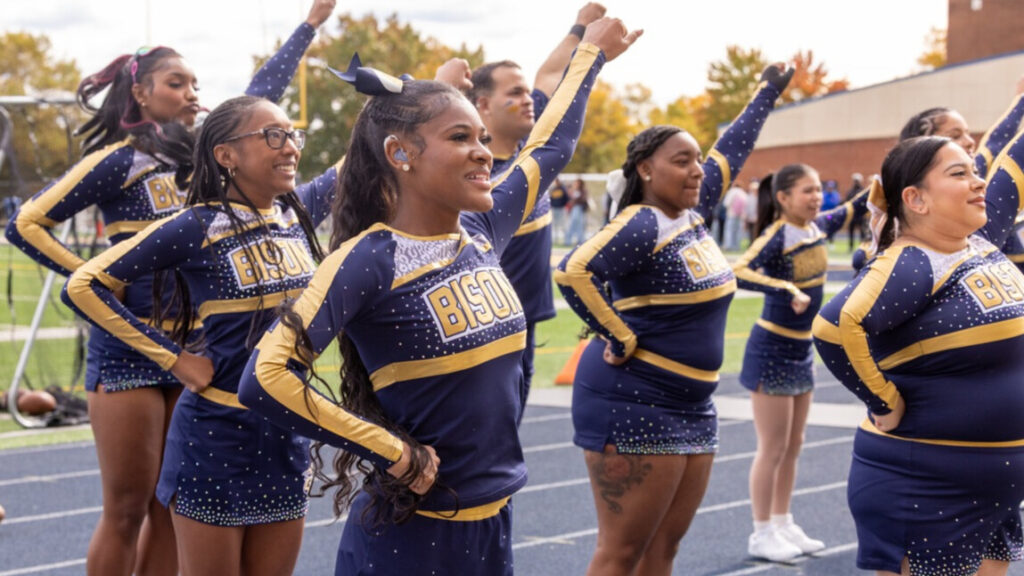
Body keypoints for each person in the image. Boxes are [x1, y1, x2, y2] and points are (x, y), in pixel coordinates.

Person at [237, 19, 639, 576]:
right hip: (410, 537)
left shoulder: (482, 228)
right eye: (460, 138)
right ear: (400, 154)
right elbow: (266, 376)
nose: (482, 153)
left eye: (480, 137)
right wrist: (391, 450)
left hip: (493, 524)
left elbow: (552, 147)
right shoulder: (367, 258)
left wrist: (590, 56)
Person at [2, 4, 334, 574]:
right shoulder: (117, 162)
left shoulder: (205, 160)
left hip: (201, 348)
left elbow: (258, 96)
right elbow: (25, 223)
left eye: (195, 84)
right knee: (128, 506)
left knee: (169, 502)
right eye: (176, 82)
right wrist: (94, 271)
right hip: (129, 347)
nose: (190, 92)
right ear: (140, 92)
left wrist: (308, 27)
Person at [63, 94, 337, 575]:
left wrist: (400, 102)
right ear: (226, 155)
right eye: (273, 136)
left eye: (293, 135)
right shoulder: (195, 225)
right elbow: (84, 285)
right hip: (216, 439)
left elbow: (357, 161)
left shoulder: (297, 214)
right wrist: (173, 359)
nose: (290, 146)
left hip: (285, 437)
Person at [554, 62, 793, 576]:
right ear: (646, 169)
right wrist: (616, 333)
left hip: (692, 405)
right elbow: (574, 271)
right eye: (681, 160)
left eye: (697, 161)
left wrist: (768, 93)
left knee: (663, 550)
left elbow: (731, 150)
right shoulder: (642, 222)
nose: (697, 170)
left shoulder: (691, 212)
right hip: (633, 402)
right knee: (621, 553)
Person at [813, 134, 1024, 576]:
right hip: (928, 488)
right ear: (916, 199)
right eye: (959, 173)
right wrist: (882, 400)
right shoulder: (913, 262)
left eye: (975, 170)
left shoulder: (979, 239)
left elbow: (1014, 163)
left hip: (993, 487)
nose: (978, 181)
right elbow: (834, 328)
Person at [467, 1, 607, 414]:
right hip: (485, 332)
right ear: (482, 105)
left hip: (523, 324)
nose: (529, 100)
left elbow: (549, 74)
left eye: (527, 92)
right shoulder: (473, 172)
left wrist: (579, 27)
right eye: (515, 93)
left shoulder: (531, 143)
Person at [732, 164, 866, 562]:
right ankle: (760, 531)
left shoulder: (818, 226)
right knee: (772, 447)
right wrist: (785, 286)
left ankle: (782, 519)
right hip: (771, 348)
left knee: (794, 445)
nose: (814, 197)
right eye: (805, 191)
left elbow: (855, 208)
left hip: (802, 350)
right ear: (783, 198)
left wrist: (881, 187)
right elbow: (739, 270)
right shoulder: (777, 235)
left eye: (817, 190)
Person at [565, 177, 590, 245]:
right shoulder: (573, 190)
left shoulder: (583, 191)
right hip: (574, 209)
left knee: (580, 225)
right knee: (572, 224)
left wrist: (575, 200)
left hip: (580, 209)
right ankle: (568, 240)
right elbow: (570, 199)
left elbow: (583, 199)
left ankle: (580, 240)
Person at [722, 181, 746, 251]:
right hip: (740, 215)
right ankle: (736, 246)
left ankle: (729, 245)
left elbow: (726, 203)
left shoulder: (732, 191)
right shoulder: (742, 192)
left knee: (729, 230)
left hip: (731, 214)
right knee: (738, 231)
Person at [550, 177, 569, 242]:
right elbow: (551, 199)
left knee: (563, 225)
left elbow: (567, 198)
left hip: (561, 209)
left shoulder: (563, 189)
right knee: (554, 225)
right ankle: (555, 239)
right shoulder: (554, 189)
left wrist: (562, 205)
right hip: (554, 209)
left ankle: (566, 240)